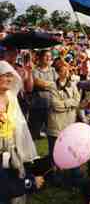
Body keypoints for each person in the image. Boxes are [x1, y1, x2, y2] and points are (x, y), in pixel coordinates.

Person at [0, 61, 38, 204]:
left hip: (12, 147)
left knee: (15, 181)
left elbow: (19, 123)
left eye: (11, 76)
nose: (9, 79)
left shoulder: (11, 97)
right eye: (5, 76)